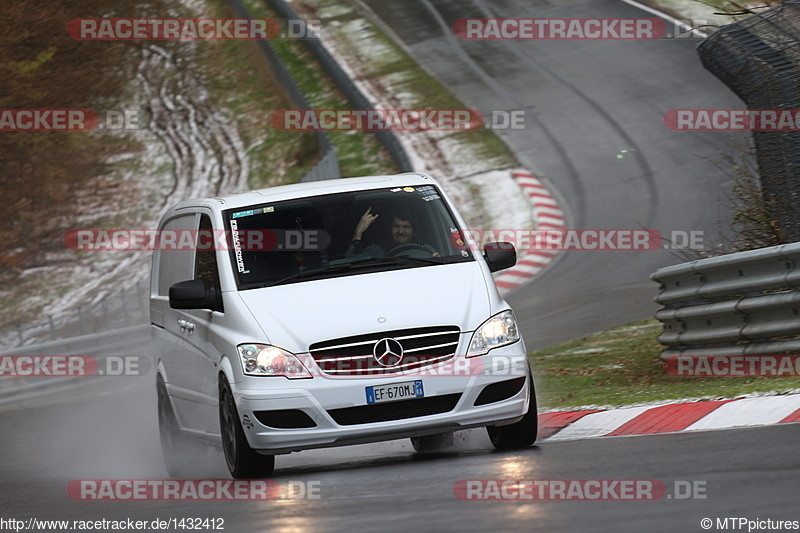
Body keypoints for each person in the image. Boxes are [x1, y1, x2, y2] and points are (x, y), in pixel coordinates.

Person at [347, 207, 438, 257]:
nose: (400, 231)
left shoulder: (426, 251)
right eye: (396, 226)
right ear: (390, 229)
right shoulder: (376, 251)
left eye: (406, 227)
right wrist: (358, 233)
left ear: (414, 231)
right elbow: (352, 261)